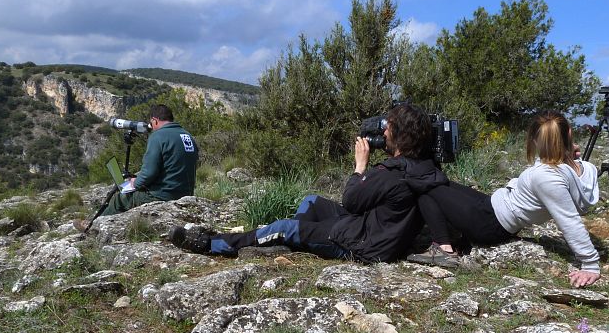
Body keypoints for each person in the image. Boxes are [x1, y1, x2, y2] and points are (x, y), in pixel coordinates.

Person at [167, 103, 448, 262]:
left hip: (363, 245)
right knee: (311, 201)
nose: (383, 132)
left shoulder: (391, 173)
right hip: (372, 226)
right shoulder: (424, 166)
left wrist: (360, 166)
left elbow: (351, 199)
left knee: (283, 227)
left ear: (397, 135)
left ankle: (213, 244)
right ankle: (293, 241)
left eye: (387, 128)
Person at [410, 111, 601, 288]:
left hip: (490, 224)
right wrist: (567, 154)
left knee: (424, 188)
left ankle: (444, 248)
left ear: (535, 140)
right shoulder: (585, 168)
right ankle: (452, 237)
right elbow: (557, 172)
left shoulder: (547, 177)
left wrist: (590, 264)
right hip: (492, 207)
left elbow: (569, 221)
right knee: (441, 182)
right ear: (569, 133)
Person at [74, 104, 198, 230]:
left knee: (121, 198)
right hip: (186, 193)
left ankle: (93, 228)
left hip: (164, 195)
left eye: (152, 123)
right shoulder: (187, 136)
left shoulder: (158, 136)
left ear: (154, 120)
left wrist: (135, 183)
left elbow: (150, 172)